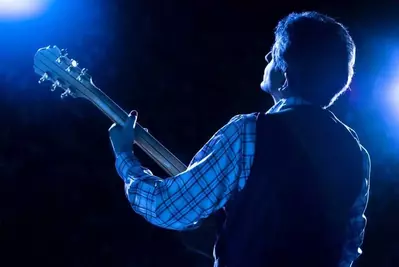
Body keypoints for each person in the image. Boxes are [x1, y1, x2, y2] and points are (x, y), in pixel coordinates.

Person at [109, 11, 370, 267]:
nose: (268, 56)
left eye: (275, 50)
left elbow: (167, 207)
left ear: (284, 74)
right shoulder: (356, 153)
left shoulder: (249, 132)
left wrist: (125, 157)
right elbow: (347, 250)